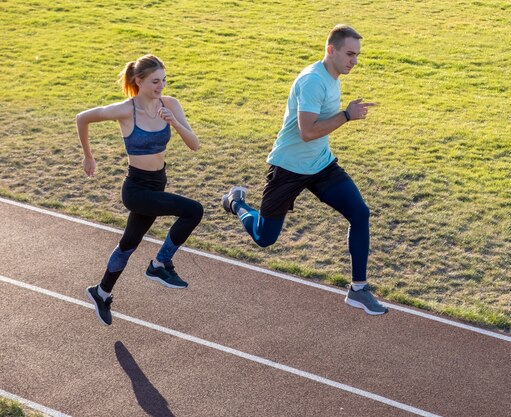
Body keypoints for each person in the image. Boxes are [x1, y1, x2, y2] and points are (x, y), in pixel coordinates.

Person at [222, 25, 387, 315]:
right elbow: (307, 131)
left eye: (357, 55)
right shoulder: (313, 80)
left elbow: (315, 137)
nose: (354, 61)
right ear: (330, 50)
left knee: (359, 213)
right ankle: (236, 202)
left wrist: (344, 115)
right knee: (264, 238)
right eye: (349, 54)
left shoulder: (333, 76)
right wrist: (347, 115)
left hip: (321, 164)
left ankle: (358, 289)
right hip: (288, 168)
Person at [77, 54, 204, 325]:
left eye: (164, 80)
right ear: (139, 81)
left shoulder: (170, 104)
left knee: (128, 244)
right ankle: (160, 264)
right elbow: (82, 118)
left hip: (158, 183)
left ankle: (101, 292)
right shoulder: (126, 110)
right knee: (193, 211)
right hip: (136, 189)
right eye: (155, 81)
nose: (161, 86)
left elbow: (194, 145)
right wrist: (89, 156)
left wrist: (175, 122)